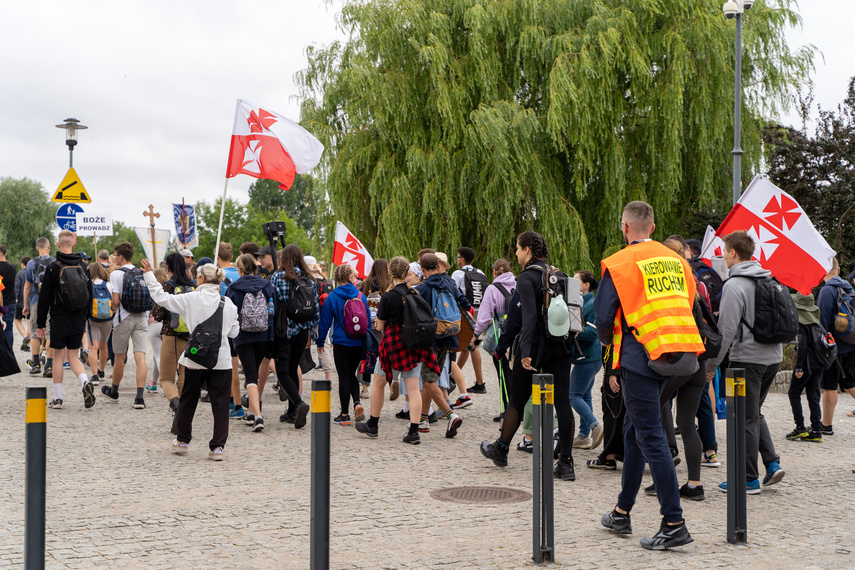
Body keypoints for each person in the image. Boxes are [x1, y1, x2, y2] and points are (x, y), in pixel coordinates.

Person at [595, 201, 700, 549]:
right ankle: (621, 512)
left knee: (651, 437)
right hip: (675, 356)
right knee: (633, 431)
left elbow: (605, 317)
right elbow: (689, 301)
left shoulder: (620, 263)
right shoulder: (679, 262)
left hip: (639, 359)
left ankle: (674, 522)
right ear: (652, 228)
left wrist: (610, 346)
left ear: (625, 228)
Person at [479, 231, 578, 482]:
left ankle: (501, 450)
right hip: (562, 347)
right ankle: (566, 463)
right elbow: (575, 316)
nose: (515, 253)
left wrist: (523, 352)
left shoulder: (526, 278)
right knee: (563, 403)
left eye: (518, 248)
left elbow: (527, 318)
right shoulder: (562, 275)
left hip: (533, 349)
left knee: (517, 399)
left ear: (527, 251)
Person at [705, 230, 785, 494]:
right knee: (753, 412)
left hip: (746, 361)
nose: (722, 256)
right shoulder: (770, 279)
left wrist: (711, 366)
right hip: (773, 357)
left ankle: (747, 479)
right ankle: (772, 464)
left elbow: (724, 331)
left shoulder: (735, 285)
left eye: (724, 251)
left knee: (743, 417)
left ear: (732, 253)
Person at [142, 258, 239, 460]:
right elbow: (233, 332)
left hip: (195, 359)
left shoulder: (191, 299)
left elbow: (161, 298)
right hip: (221, 360)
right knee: (220, 404)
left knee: (188, 399)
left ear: (201, 279)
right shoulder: (228, 303)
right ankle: (217, 447)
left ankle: (183, 441)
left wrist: (150, 275)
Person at [355, 257, 440, 443]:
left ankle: (373, 425)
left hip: (393, 343)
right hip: (414, 343)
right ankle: (414, 431)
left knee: (378, 382)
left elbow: (380, 326)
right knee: (413, 387)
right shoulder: (414, 293)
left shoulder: (389, 296)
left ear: (390, 273)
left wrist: (379, 323)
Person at [35, 230, 96, 410]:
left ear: (58, 244)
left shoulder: (53, 268)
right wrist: (85, 317)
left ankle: (58, 398)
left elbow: (44, 298)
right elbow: (90, 295)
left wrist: (40, 324)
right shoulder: (84, 267)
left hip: (59, 318)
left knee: (58, 358)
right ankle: (85, 382)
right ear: (74, 243)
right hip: (78, 318)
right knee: (74, 356)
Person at [414, 253, 466, 438]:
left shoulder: (422, 288)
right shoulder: (449, 282)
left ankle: (450, 414)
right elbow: (463, 301)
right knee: (432, 379)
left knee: (427, 380)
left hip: (431, 339)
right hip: (449, 334)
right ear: (438, 266)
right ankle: (423, 419)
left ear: (422, 269)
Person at [225, 254, 275, 432]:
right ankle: (252, 412)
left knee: (251, 376)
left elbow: (229, 314)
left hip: (243, 337)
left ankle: (258, 416)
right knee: (255, 373)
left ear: (239, 270)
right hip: (264, 335)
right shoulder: (267, 285)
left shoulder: (233, 288)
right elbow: (273, 310)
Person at [318, 264, 371, 425]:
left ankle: (344, 414)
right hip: (358, 342)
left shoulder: (332, 297)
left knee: (343, 376)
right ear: (350, 277)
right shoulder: (361, 296)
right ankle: (357, 403)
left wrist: (320, 341)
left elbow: (324, 323)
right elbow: (367, 321)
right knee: (352, 374)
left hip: (341, 342)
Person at [148, 253, 195, 433]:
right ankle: (183, 419)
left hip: (171, 336)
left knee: (166, 379)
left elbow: (158, 314)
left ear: (168, 268)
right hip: (190, 338)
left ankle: (176, 407)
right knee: (183, 380)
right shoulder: (193, 287)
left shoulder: (167, 286)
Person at [270, 244, 317, 426]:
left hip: (285, 330)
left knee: (282, 372)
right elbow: (315, 309)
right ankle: (291, 413)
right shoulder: (309, 279)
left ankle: (298, 404)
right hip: (303, 330)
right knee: (292, 369)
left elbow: (272, 304)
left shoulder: (278, 277)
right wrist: (310, 333)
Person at [100, 241, 149, 409]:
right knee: (140, 357)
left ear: (121, 257)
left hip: (123, 319)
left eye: (115, 256)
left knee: (119, 357)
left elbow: (115, 300)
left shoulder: (116, 274)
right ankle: (140, 398)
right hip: (141, 317)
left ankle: (114, 391)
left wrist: (112, 308)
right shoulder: (140, 271)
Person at [471, 258, 516, 410]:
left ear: (494, 272)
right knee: (516, 371)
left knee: (503, 372)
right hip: (518, 333)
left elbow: (484, 317)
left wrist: (476, 335)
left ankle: (507, 409)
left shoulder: (492, 288)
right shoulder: (518, 284)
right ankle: (519, 409)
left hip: (500, 334)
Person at [817, 257, 855, 433]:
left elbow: (822, 323)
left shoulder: (827, 291)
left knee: (830, 385)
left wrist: (821, 346)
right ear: (838, 271)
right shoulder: (848, 289)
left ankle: (826, 424)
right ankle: (826, 424)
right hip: (851, 343)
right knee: (849, 383)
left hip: (834, 347)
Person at [569, 270, 604, 450]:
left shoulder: (592, 304)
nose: (572, 285)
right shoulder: (583, 303)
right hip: (589, 357)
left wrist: (572, 328)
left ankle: (594, 426)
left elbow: (593, 333)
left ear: (586, 285)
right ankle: (583, 436)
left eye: (576, 282)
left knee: (573, 395)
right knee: (585, 395)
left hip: (588, 357)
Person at [786, 292, 825, 442]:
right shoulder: (816, 323)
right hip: (819, 364)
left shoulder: (802, 324)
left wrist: (798, 368)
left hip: (807, 364)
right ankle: (816, 430)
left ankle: (800, 427)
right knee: (813, 395)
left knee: (793, 392)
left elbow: (801, 347)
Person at [452, 247, 486, 392]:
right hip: (481, 313)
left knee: (472, 345)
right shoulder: (480, 273)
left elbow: (452, 293)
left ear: (462, 259)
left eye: (458, 257)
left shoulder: (458, 274)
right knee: (470, 343)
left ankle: (480, 383)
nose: (457, 259)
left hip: (467, 314)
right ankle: (454, 375)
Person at [22, 237, 55, 376]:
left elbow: (28, 285)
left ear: (37, 248)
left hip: (36, 300)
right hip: (52, 302)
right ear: (48, 247)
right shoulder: (55, 261)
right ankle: (49, 365)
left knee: (35, 332)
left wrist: (25, 305)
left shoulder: (30, 263)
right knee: (49, 333)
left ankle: (35, 364)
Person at [86, 262, 114, 386]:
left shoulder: (88, 285)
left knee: (93, 347)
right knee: (104, 346)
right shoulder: (108, 285)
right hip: (107, 319)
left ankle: (94, 375)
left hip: (92, 319)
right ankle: (101, 371)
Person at [0, 245, 17, 348]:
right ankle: (9, 351)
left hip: (0, 303)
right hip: (10, 302)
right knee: (8, 329)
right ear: (5, 253)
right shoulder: (12, 268)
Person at [14, 256, 31, 351]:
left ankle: (24, 337)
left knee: (17, 320)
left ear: (22, 264)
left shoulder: (20, 274)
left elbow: (17, 288)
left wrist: (16, 298)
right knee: (30, 324)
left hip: (21, 302)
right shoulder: (33, 272)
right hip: (31, 302)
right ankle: (27, 345)